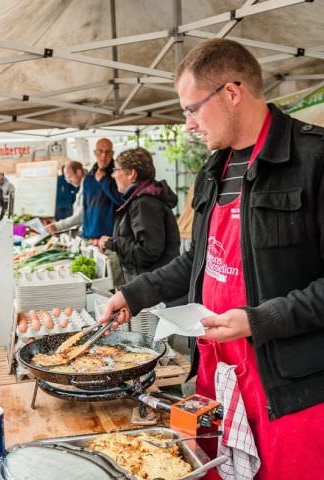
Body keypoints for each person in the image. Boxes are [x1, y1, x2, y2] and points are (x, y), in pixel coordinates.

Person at [101, 38, 324, 480]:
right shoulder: (213, 169)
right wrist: (134, 293)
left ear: (232, 92)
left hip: (288, 387)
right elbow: (200, 261)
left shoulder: (314, 159)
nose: (187, 124)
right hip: (217, 373)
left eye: (191, 109)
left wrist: (260, 320)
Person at [97, 148, 180, 282]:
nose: (113, 175)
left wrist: (112, 242)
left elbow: (147, 251)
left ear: (132, 174)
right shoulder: (142, 200)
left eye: (116, 170)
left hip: (153, 286)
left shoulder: (144, 203)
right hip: (151, 283)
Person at [82, 138, 123, 239]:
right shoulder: (88, 177)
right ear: (95, 153)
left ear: (112, 154)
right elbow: (86, 207)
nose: (104, 156)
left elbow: (122, 201)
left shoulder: (119, 173)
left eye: (108, 152)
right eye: (100, 151)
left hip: (111, 237)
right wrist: (86, 233)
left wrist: (104, 181)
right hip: (90, 236)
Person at [45, 161, 85, 234]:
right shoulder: (81, 186)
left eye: (69, 177)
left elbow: (80, 216)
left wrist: (57, 226)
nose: (68, 181)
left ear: (79, 172)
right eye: (66, 178)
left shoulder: (87, 187)